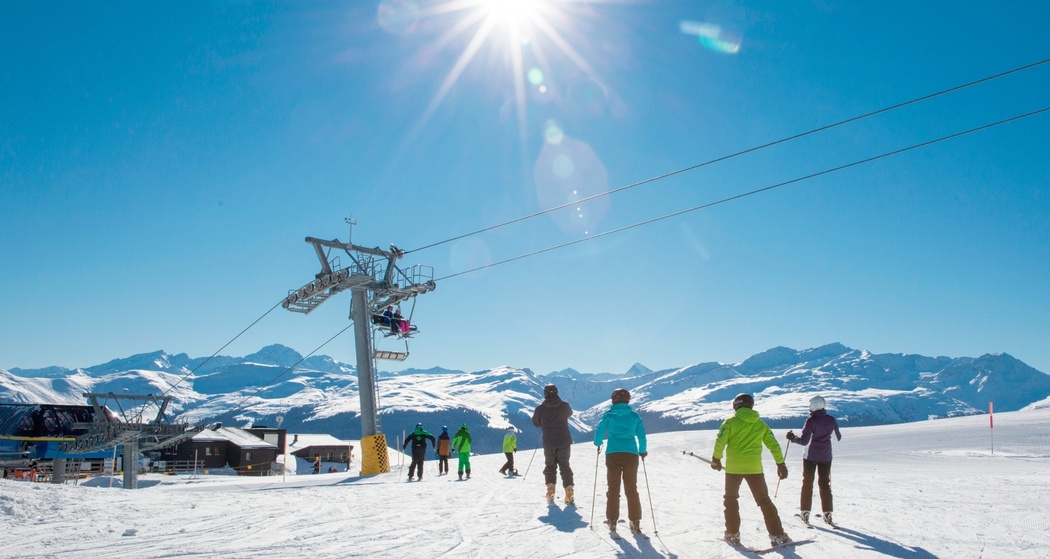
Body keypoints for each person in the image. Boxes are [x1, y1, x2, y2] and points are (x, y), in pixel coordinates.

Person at [711, 393, 792, 549]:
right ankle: (777, 534)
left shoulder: (730, 422)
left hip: (733, 469)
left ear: (736, 405)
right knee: (764, 501)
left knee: (731, 499)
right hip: (754, 469)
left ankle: (732, 534)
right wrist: (780, 464)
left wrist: (716, 459)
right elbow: (773, 444)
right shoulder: (760, 424)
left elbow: (720, 441)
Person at [593, 388, 648, 535]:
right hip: (631, 454)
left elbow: (600, 430)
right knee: (631, 488)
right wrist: (642, 450)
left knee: (613, 488)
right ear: (627, 400)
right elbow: (641, 435)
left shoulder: (609, 415)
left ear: (613, 400)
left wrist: (598, 442)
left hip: (613, 453)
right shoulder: (634, 416)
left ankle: (612, 521)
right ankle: (635, 522)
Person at [787, 395, 842, 526]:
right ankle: (828, 514)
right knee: (825, 484)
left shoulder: (810, 421)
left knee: (807, 483)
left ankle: (805, 513)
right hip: (826, 457)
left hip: (810, 457)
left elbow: (804, 441)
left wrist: (792, 438)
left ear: (813, 406)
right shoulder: (831, 420)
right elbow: (837, 438)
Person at [532, 383, 575, 504]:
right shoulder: (564, 406)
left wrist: (544, 421)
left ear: (545, 394)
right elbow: (570, 413)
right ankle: (569, 491)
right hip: (564, 440)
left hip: (549, 442)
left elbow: (535, 423)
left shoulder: (540, 409)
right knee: (565, 465)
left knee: (550, 466)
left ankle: (550, 490)